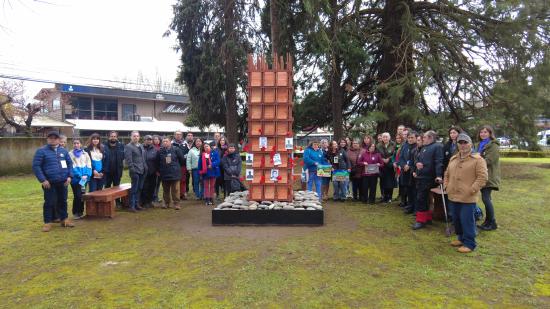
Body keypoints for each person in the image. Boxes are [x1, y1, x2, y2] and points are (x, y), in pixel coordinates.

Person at [444, 133, 488, 253]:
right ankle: (461, 238)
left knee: (466, 219)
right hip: (453, 195)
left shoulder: (478, 160)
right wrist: (446, 186)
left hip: (467, 197)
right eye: (460, 143)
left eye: (465, 143)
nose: (463, 145)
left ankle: (470, 243)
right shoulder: (453, 159)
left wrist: (472, 190)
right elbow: (446, 174)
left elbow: (482, 178)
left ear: (470, 144)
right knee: (456, 219)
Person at [32, 131, 74, 232]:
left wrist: (69, 176)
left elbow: (70, 164)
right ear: (47, 139)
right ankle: (47, 222)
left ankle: (64, 220)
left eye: (55, 138)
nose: (53, 140)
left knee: (63, 201)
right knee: (49, 202)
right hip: (49, 183)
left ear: (59, 140)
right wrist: (43, 180)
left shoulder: (63, 151)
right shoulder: (41, 151)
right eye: (50, 138)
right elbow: (36, 166)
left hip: (63, 181)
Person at [412, 130, 444, 230]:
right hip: (421, 176)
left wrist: (439, 175)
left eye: (424, 137)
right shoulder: (424, 147)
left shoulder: (437, 146)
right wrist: (417, 164)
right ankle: (427, 218)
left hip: (429, 177)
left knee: (422, 198)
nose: (423, 139)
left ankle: (421, 221)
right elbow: (418, 158)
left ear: (430, 138)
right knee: (423, 198)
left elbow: (439, 161)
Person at [477, 125, 501, 231]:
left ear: (490, 133)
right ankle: (488, 221)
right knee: (486, 198)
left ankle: (492, 222)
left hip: (489, 175)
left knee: (486, 198)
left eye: (485, 132)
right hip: (482, 174)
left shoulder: (493, 145)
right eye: (481, 132)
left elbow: (490, 160)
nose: (483, 134)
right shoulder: (480, 144)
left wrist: (477, 160)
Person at [158, 137, 186, 210]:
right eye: (163, 141)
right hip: (164, 173)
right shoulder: (160, 151)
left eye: (166, 141)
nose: (165, 143)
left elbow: (182, 160)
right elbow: (157, 162)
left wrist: (176, 166)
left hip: (175, 173)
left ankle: (176, 203)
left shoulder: (176, 149)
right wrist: (158, 171)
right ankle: (166, 203)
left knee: (175, 189)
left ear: (170, 142)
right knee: (165, 190)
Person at [68, 138, 92, 219]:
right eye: (74, 143)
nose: (76, 145)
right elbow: (72, 166)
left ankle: (81, 212)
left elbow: (89, 164)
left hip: (84, 179)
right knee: (77, 195)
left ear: (81, 144)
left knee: (82, 195)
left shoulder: (85, 153)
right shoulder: (70, 154)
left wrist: (86, 174)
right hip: (76, 179)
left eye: (78, 143)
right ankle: (75, 212)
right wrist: (80, 175)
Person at [125, 131, 147, 212]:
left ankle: (137, 204)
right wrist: (132, 170)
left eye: (137, 136)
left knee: (139, 188)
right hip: (135, 171)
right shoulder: (128, 146)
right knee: (134, 189)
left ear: (139, 137)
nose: (136, 137)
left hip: (142, 170)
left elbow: (143, 158)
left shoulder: (140, 145)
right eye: (134, 136)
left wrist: (145, 168)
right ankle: (132, 206)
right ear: (131, 137)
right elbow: (128, 160)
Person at [398, 131, 418, 214]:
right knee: (408, 189)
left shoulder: (417, 146)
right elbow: (401, 157)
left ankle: (415, 208)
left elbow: (417, 160)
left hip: (413, 171)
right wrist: (403, 165)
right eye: (409, 137)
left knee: (414, 190)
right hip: (405, 171)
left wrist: (409, 166)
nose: (410, 139)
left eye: (412, 137)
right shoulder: (404, 146)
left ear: (416, 138)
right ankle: (409, 206)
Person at [377, 132, 397, 203]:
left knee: (390, 182)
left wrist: (389, 158)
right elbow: (377, 154)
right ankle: (384, 196)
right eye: (384, 137)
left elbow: (395, 153)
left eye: (386, 137)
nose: (385, 138)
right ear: (382, 138)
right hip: (382, 166)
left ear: (389, 137)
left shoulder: (393, 144)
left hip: (390, 165)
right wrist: (382, 159)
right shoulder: (378, 145)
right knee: (383, 181)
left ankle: (390, 197)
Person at [141, 135, 159, 208]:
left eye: (150, 140)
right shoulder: (140, 148)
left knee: (152, 187)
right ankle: (144, 202)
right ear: (144, 140)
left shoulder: (155, 149)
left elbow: (157, 161)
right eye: (147, 139)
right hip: (143, 172)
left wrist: (157, 170)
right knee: (144, 187)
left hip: (153, 172)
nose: (149, 141)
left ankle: (150, 201)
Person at [172, 130, 190, 200]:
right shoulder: (171, 144)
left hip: (183, 165)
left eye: (179, 134)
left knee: (183, 180)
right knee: (175, 181)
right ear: (174, 135)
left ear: (182, 136)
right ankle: (176, 195)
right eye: (177, 134)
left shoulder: (185, 144)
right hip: (174, 166)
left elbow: (188, 153)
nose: (178, 135)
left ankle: (183, 193)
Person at [152, 135, 162, 203]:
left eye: (158, 139)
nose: (157, 140)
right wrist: (156, 170)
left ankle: (156, 196)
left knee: (158, 184)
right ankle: (154, 197)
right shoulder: (152, 148)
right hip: (154, 169)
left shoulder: (161, 148)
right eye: (155, 139)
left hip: (161, 169)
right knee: (154, 184)